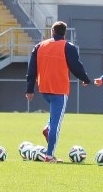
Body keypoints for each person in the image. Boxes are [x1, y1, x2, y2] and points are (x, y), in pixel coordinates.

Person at [25, 21, 92, 162]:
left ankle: (48, 128)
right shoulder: (68, 46)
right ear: (64, 33)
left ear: (52, 31)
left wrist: (29, 89)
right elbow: (76, 66)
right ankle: (49, 156)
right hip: (59, 90)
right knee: (57, 124)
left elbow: (31, 69)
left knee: (54, 117)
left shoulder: (39, 46)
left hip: (44, 89)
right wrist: (85, 79)